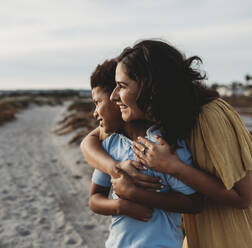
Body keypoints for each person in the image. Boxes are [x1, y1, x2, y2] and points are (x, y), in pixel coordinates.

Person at [81, 39, 252, 248]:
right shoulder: (161, 117)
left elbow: (244, 197)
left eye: (122, 86)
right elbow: (89, 142)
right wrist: (116, 170)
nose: (114, 96)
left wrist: (171, 166)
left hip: (230, 233)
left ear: (150, 85)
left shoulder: (209, 115)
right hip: (196, 230)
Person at [87, 59, 203, 248]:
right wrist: (121, 206)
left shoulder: (165, 146)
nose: (95, 112)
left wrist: (134, 194)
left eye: (97, 102)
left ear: (118, 100)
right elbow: (94, 200)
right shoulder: (109, 146)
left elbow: (194, 203)